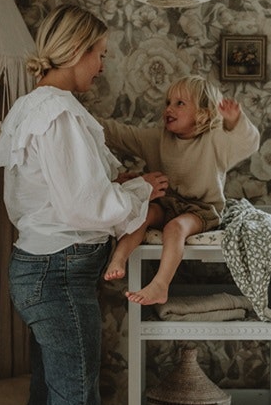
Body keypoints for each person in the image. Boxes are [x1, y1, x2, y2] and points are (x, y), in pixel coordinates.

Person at [0, 3, 168, 405]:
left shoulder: (36, 110)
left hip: (42, 269)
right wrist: (143, 191)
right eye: (99, 53)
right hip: (58, 274)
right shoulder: (57, 112)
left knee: (49, 402)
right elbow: (87, 208)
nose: (102, 64)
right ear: (74, 50)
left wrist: (126, 189)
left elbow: (70, 193)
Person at [102, 74, 260, 305]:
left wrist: (235, 122)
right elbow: (121, 135)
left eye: (180, 103)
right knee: (140, 214)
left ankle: (160, 285)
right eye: (168, 102)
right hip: (166, 204)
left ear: (203, 113)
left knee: (174, 228)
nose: (169, 108)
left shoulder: (215, 140)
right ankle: (118, 258)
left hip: (201, 210)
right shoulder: (158, 138)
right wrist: (83, 120)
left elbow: (247, 144)